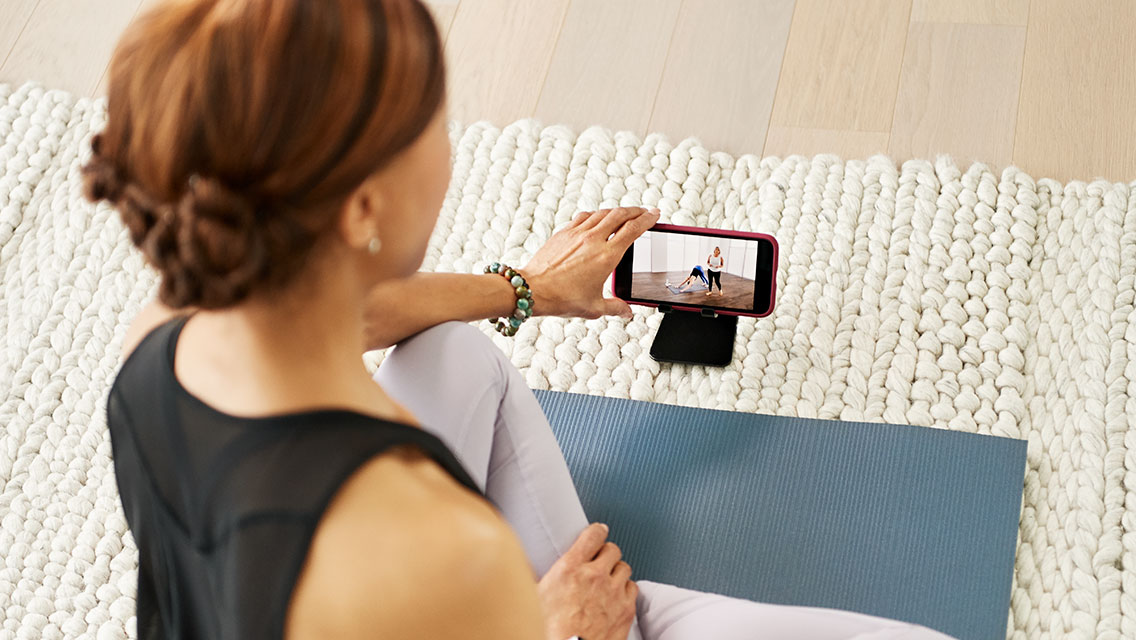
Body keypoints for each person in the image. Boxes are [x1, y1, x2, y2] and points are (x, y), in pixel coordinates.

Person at [82, 1, 956, 638]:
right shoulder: (426, 535)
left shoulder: (164, 330)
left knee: (454, 357)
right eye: (429, 119)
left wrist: (529, 287)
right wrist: (560, 627)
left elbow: (362, 313)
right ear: (361, 210)